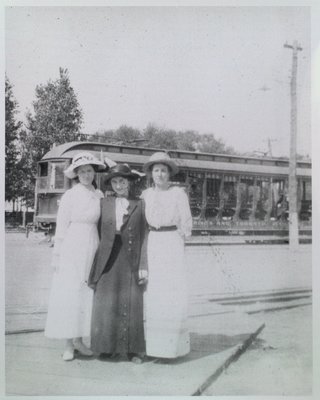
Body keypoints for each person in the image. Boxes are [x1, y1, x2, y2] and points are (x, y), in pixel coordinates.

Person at [44, 151, 107, 361]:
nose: (87, 175)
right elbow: (61, 228)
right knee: (70, 292)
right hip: (73, 244)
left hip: (93, 244)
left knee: (86, 291)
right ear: (76, 174)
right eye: (82, 171)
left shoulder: (99, 196)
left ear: (94, 173)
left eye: (90, 170)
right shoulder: (71, 195)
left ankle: (80, 340)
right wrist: (57, 255)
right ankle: (68, 344)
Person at [88, 163, 148, 363]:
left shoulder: (140, 204)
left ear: (129, 182)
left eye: (122, 181)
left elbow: (145, 234)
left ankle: (133, 351)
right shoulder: (104, 203)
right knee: (106, 300)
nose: (119, 185)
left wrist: (143, 264)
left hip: (130, 255)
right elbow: (94, 230)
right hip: (107, 257)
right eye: (114, 181)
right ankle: (105, 348)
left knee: (131, 301)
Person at [141, 152, 192, 361]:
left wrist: (179, 241)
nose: (160, 174)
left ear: (169, 173)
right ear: (151, 174)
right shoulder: (145, 195)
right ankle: (154, 347)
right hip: (153, 242)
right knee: (154, 293)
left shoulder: (178, 193)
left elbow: (186, 222)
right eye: (156, 170)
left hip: (171, 242)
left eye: (163, 170)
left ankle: (172, 348)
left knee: (172, 292)